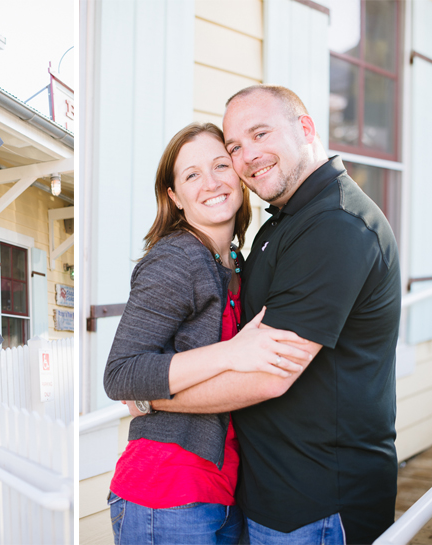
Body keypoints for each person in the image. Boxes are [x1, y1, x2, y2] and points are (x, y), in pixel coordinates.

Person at [151, 85, 402, 545]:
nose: (248, 156)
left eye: (260, 133)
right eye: (235, 147)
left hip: (320, 503)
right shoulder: (284, 222)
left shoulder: (337, 225)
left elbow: (270, 375)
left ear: (305, 128)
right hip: (269, 497)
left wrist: (154, 397)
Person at [103, 122, 312, 545]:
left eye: (221, 165)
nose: (212, 182)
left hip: (224, 489)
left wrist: (148, 399)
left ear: (240, 174)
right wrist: (232, 353)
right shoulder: (175, 260)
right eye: (192, 174)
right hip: (166, 493)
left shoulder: (234, 261)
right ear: (174, 197)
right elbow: (120, 375)